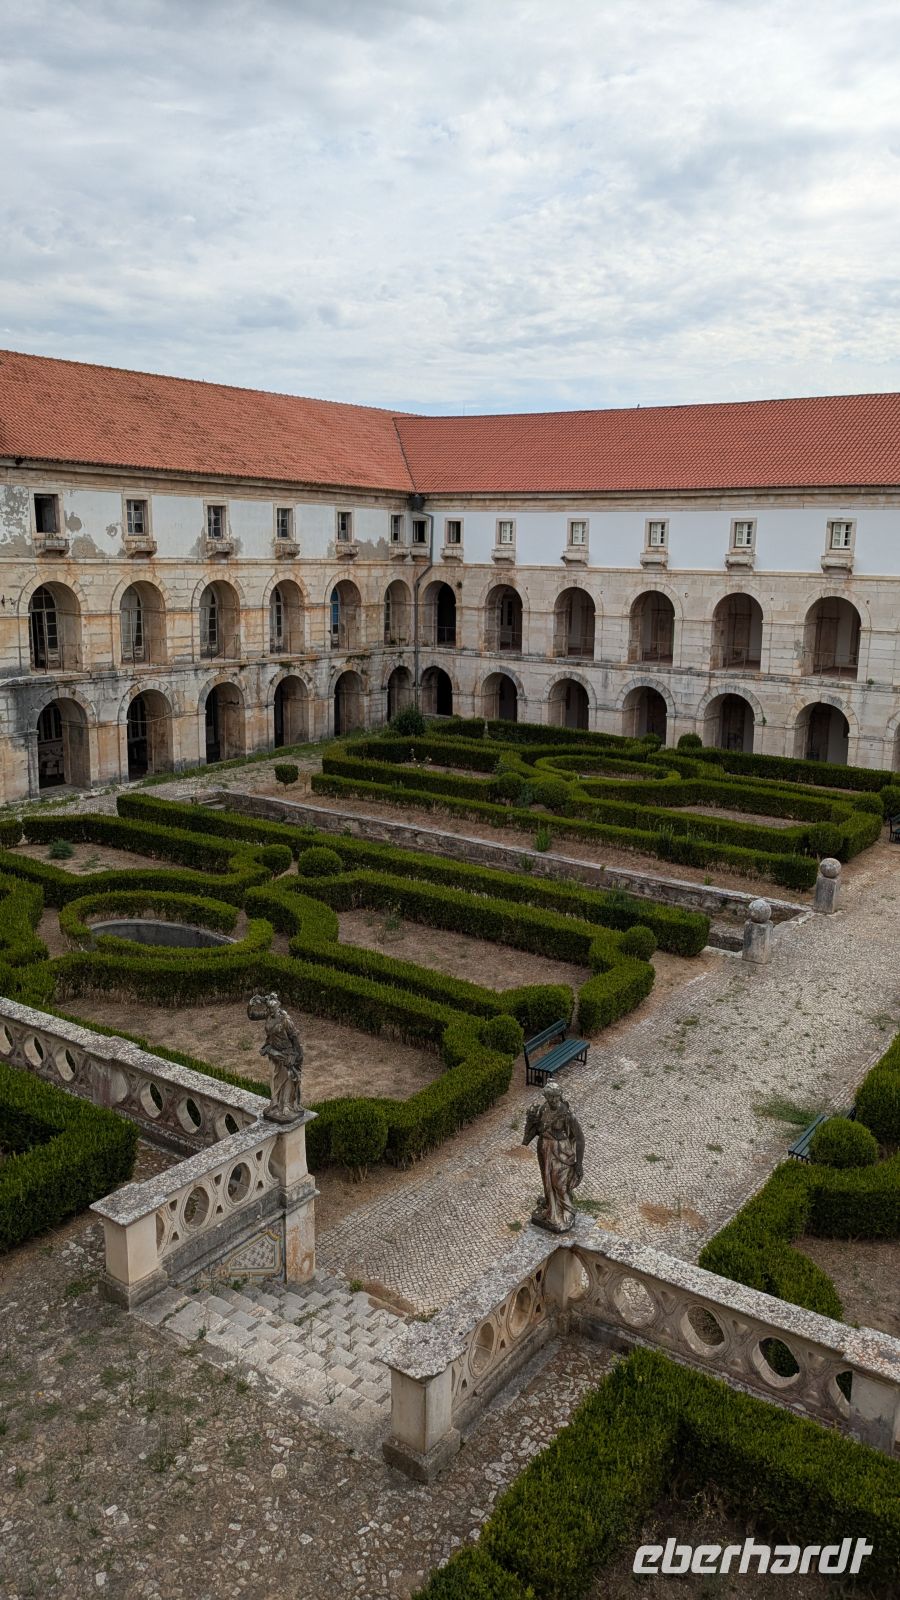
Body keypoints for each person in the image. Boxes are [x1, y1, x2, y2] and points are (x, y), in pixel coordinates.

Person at [522, 1082, 585, 1232]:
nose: (554, 1101)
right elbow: (533, 1132)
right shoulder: (543, 1109)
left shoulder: (567, 1115)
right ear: (546, 1097)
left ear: (560, 1096)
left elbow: (580, 1138)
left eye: (556, 1097)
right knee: (547, 1180)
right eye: (551, 1098)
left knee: (559, 1183)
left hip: (561, 1152)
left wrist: (579, 1163)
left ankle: (567, 1211)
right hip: (544, 1149)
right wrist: (530, 1121)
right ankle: (551, 1206)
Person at [246, 992, 304, 1122]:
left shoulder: (285, 1020)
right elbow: (252, 1016)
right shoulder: (268, 1015)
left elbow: (294, 1038)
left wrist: (295, 1055)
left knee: (288, 1077)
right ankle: (275, 1103)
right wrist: (250, 1005)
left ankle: (287, 1105)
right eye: (268, 1009)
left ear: (277, 1007)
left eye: (272, 1008)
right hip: (273, 1051)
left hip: (286, 1052)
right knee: (274, 1077)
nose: (270, 1011)